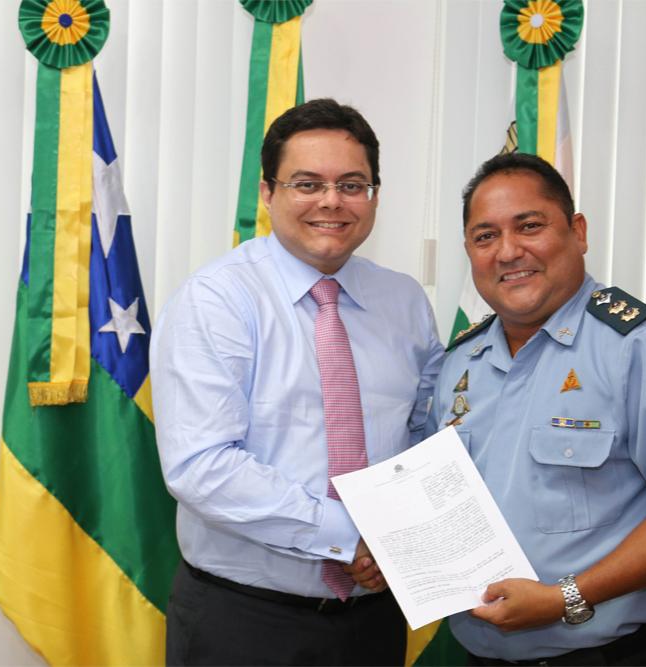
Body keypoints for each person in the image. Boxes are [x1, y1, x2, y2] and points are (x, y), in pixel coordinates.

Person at [150, 98, 444, 666]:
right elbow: (202, 465)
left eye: (352, 185)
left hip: (374, 616)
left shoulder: (404, 301)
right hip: (245, 622)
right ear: (268, 193)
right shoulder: (216, 300)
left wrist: (402, 532)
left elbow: (422, 439)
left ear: (374, 196)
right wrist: (351, 534)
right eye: (307, 184)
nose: (331, 201)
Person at [428, 152, 646, 666]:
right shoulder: (461, 361)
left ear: (578, 232)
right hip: (480, 654)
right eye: (485, 236)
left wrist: (562, 598)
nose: (508, 251)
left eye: (530, 226)